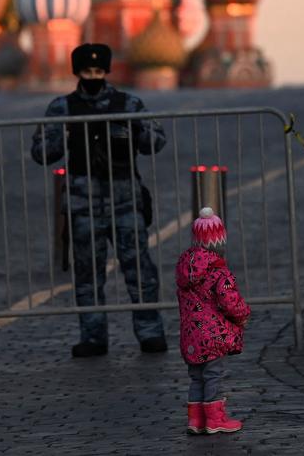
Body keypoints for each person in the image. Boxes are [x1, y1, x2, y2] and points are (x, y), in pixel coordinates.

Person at [31, 43, 168, 357]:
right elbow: (41, 153)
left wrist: (132, 131)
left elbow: (156, 141)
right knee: (87, 274)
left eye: (97, 71)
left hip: (125, 202)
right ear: (76, 72)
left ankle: (150, 332)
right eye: (85, 71)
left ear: (106, 71)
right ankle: (93, 336)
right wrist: (62, 136)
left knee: (140, 272)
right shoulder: (62, 108)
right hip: (84, 206)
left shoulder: (128, 104)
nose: (92, 76)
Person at [176, 206, 250, 435]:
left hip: (191, 336)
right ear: (219, 242)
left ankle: (196, 420)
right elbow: (230, 301)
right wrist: (243, 315)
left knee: (196, 378)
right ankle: (215, 419)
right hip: (213, 335)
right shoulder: (219, 272)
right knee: (214, 376)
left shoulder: (184, 272)